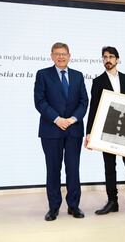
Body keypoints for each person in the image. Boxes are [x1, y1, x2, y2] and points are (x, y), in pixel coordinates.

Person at [85, 46, 125, 216]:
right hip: (106, 130)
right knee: (109, 167)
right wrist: (89, 133)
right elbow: (93, 108)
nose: (108, 59)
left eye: (111, 56)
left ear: (117, 59)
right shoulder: (97, 81)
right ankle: (112, 201)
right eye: (105, 57)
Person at [34, 42, 88, 221]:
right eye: (57, 53)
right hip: (51, 130)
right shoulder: (43, 75)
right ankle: (53, 207)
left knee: (73, 169)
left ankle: (74, 206)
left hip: (74, 130)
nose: (61, 56)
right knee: (53, 169)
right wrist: (57, 119)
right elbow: (40, 101)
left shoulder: (78, 76)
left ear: (69, 55)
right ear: (51, 56)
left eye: (64, 53)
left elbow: (83, 102)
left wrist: (72, 119)